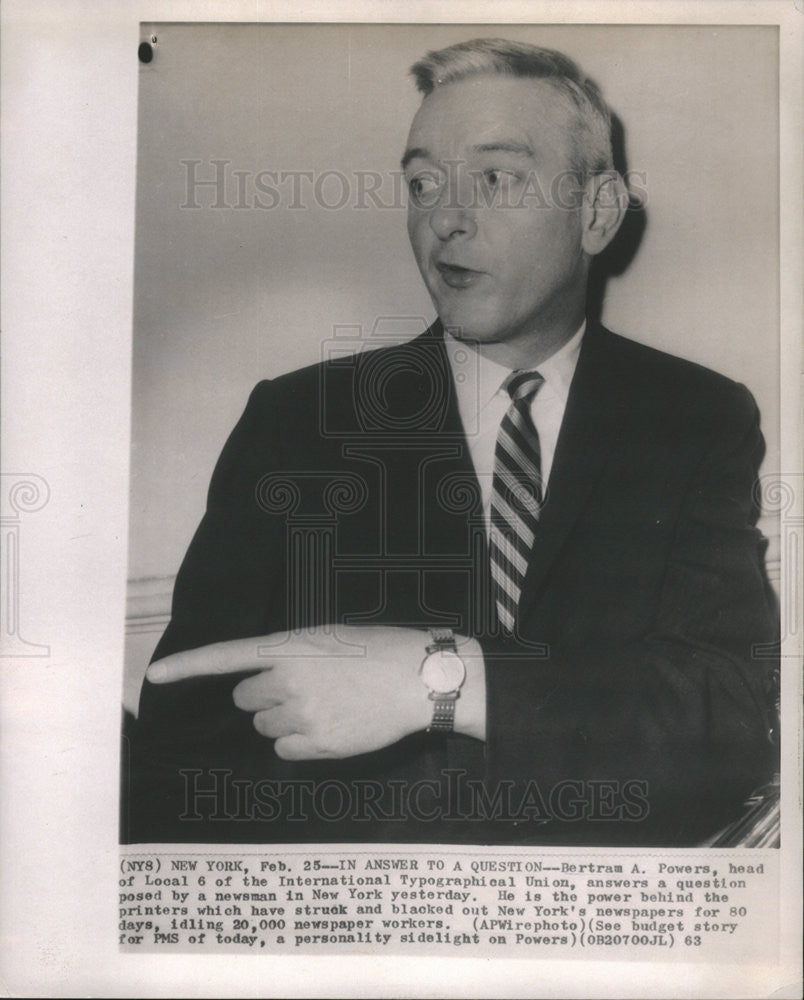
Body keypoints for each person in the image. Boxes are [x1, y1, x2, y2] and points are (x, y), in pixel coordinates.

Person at [123, 38, 777, 846]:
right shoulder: (296, 420)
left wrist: (440, 682)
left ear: (597, 213)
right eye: (423, 183)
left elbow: (732, 718)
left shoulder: (695, 417)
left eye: (496, 179)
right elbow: (183, 740)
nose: (445, 217)